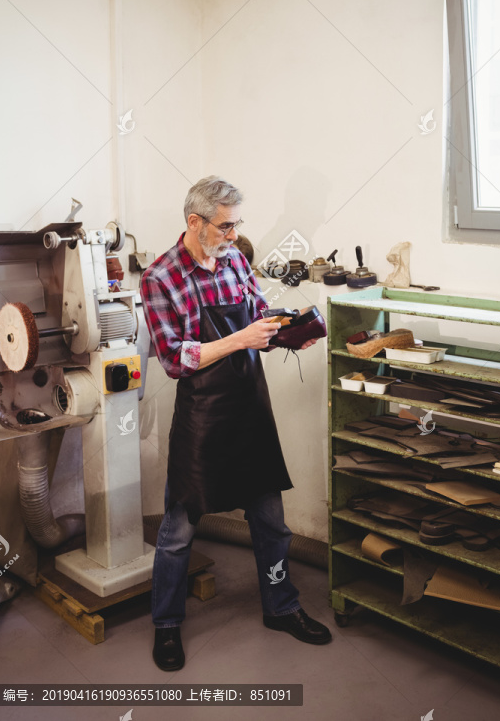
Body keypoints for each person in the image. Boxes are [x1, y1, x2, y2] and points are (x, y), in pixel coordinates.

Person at [140, 176, 332, 671]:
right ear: (194, 222)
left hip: (249, 407)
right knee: (179, 529)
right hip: (203, 416)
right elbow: (176, 358)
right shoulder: (161, 277)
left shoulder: (235, 261)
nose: (232, 235)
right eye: (225, 226)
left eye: (236, 224)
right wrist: (242, 338)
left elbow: (256, 320)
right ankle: (166, 624)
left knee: (271, 523)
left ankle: (282, 607)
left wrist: (286, 333)